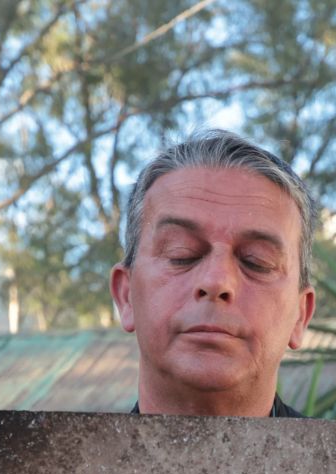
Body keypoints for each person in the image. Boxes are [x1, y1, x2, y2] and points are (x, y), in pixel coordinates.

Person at [111, 129, 316, 419]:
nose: (216, 281)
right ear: (125, 295)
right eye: (181, 254)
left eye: (256, 262)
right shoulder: (50, 462)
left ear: (300, 314)